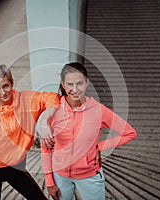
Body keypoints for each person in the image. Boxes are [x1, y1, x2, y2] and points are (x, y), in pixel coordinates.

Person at [40, 62, 137, 200]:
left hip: (89, 175)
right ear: (62, 84)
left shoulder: (98, 110)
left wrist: (101, 146)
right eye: (70, 84)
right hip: (60, 176)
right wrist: (49, 182)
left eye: (79, 83)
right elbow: (46, 148)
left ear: (87, 83)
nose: (75, 89)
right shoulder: (54, 110)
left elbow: (129, 132)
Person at [0, 64, 59, 200]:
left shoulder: (27, 100)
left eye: (5, 86)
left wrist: (44, 120)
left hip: (17, 167)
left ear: (12, 82)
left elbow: (52, 97)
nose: (3, 92)